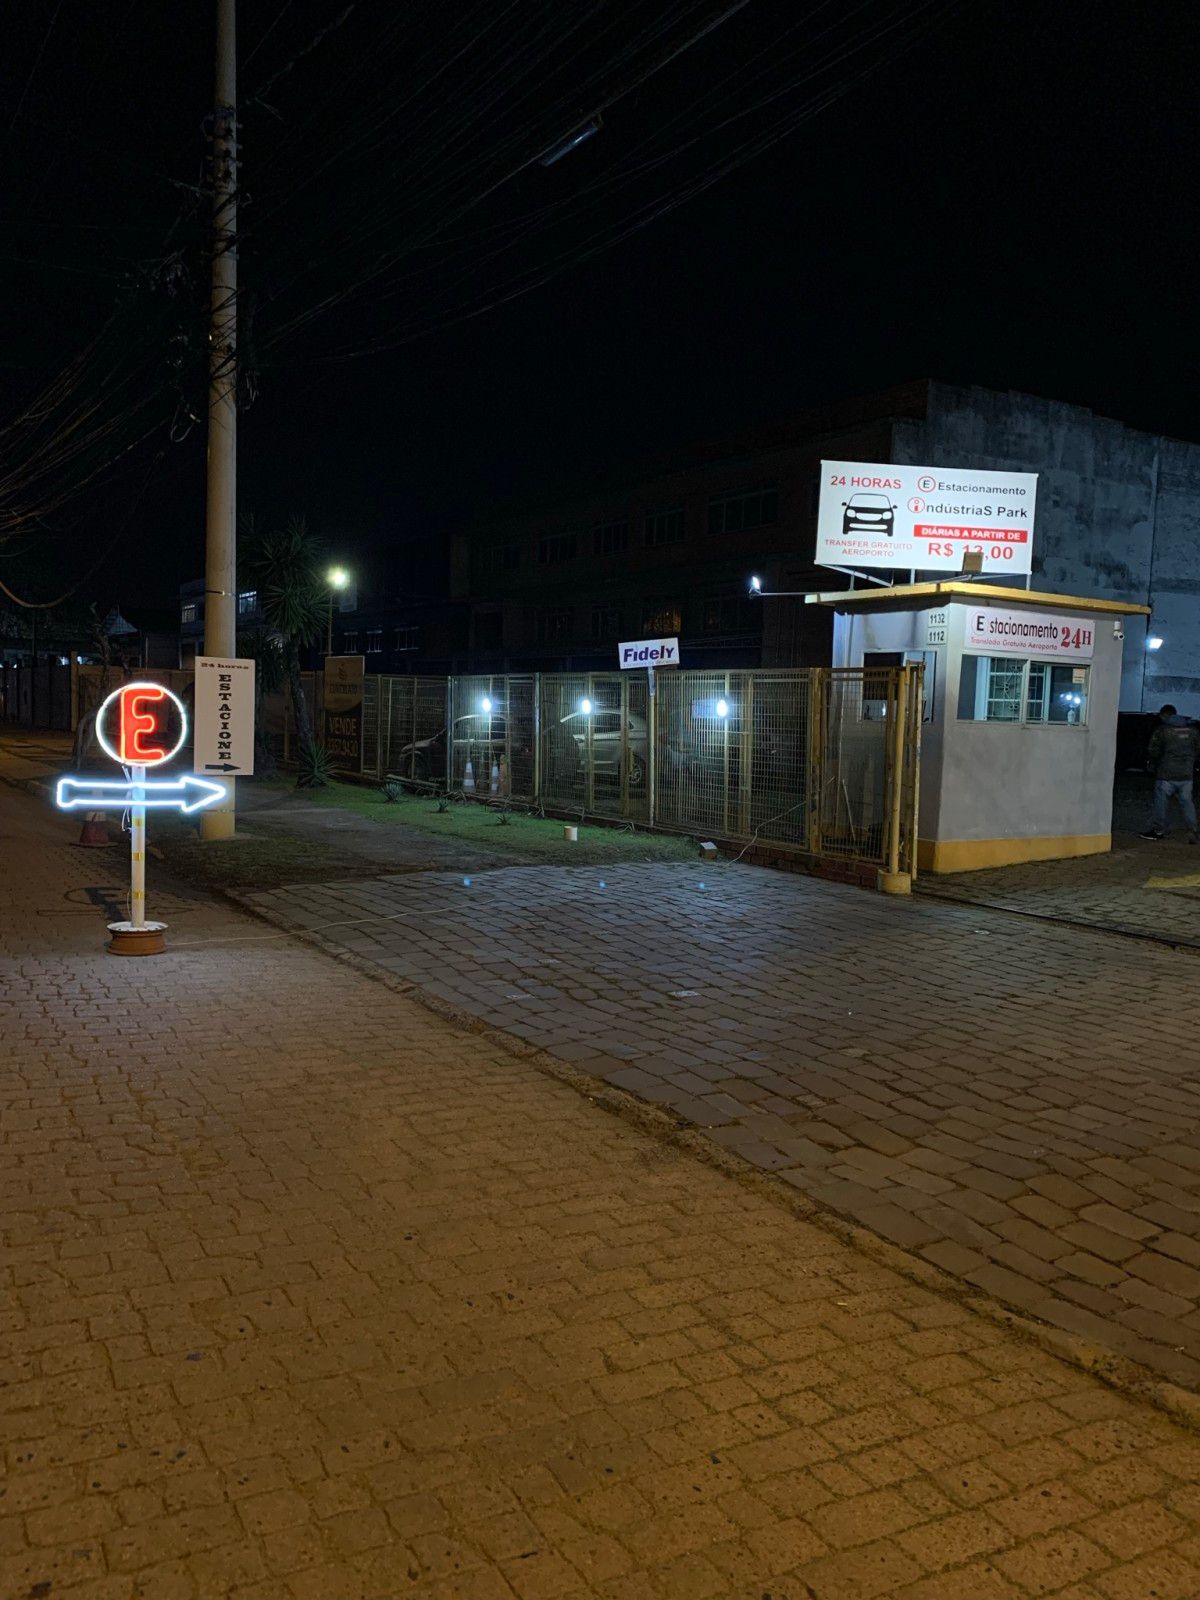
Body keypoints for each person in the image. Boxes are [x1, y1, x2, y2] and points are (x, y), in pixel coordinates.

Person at [1140, 704, 1200, 841]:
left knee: (1161, 803)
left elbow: (1153, 751)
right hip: (1186, 775)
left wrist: (1152, 764)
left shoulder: (1162, 731)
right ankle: (1193, 830)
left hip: (1166, 774)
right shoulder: (1192, 731)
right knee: (1187, 802)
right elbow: (1197, 749)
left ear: (1165, 715)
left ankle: (1159, 831)